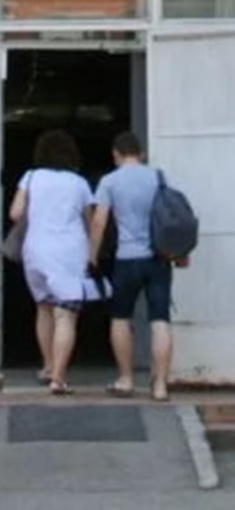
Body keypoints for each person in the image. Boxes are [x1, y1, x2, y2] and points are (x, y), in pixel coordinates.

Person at [9, 129, 104, 395]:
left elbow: (15, 213)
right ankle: (59, 379)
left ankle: (48, 366)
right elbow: (90, 222)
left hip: (36, 250)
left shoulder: (31, 177)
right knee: (65, 315)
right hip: (70, 253)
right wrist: (94, 254)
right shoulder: (79, 183)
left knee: (44, 309)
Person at [91, 131, 173, 402]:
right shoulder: (158, 177)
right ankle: (160, 386)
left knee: (120, 318)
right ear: (142, 153)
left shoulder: (109, 181)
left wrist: (92, 256)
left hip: (126, 259)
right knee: (160, 320)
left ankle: (126, 379)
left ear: (115, 154)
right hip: (158, 258)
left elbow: (99, 222)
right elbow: (170, 216)